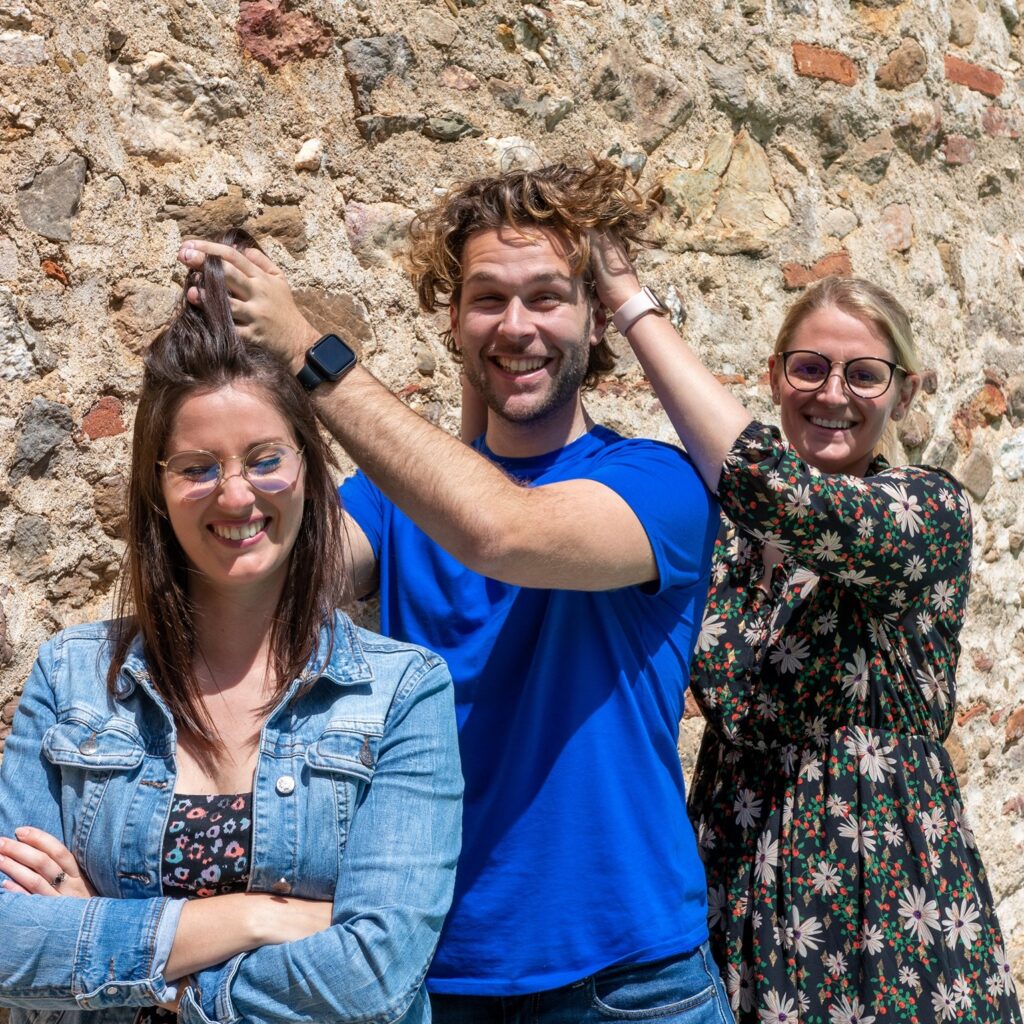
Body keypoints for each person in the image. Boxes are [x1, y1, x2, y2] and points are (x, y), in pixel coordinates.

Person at [178, 161, 734, 1023]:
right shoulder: (394, 501)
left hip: (629, 983)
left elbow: (504, 532)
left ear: (593, 317)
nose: (517, 326)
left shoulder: (658, 485)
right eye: (487, 299)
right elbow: (258, 581)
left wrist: (311, 353)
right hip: (432, 974)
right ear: (454, 320)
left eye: (547, 296)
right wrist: (235, 394)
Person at [0, 236, 463, 1024]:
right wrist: (256, 919)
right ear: (158, 487)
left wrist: (145, 971)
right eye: (198, 467)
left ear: (312, 477)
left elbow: (375, 976)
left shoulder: (400, 694)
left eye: (264, 458)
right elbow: (10, 945)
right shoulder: (72, 678)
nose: (236, 494)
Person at [587, 236, 1022, 1024]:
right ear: (775, 376)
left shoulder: (927, 513)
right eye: (809, 368)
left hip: (878, 883)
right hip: (733, 865)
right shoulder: (718, 534)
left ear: (905, 393)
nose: (834, 394)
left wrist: (629, 303)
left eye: (865, 375)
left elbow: (785, 494)